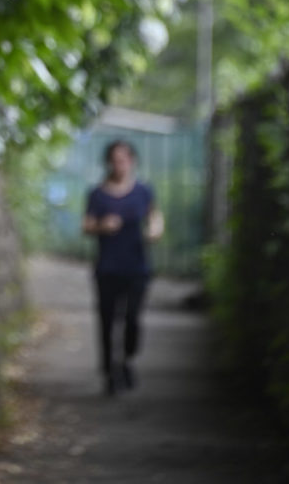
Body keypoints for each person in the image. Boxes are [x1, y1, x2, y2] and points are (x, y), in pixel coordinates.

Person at [82, 139, 164, 395]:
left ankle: (127, 359)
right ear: (109, 163)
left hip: (137, 267)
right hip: (107, 268)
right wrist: (101, 226)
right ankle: (109, 371)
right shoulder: (97, 194)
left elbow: (155, 216)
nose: (120, 165)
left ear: (132, 161)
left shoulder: (143, 191)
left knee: (132, 319)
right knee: (107, 321)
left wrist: (154, 230)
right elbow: (86, 225)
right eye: (115, 160)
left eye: (124, 159)